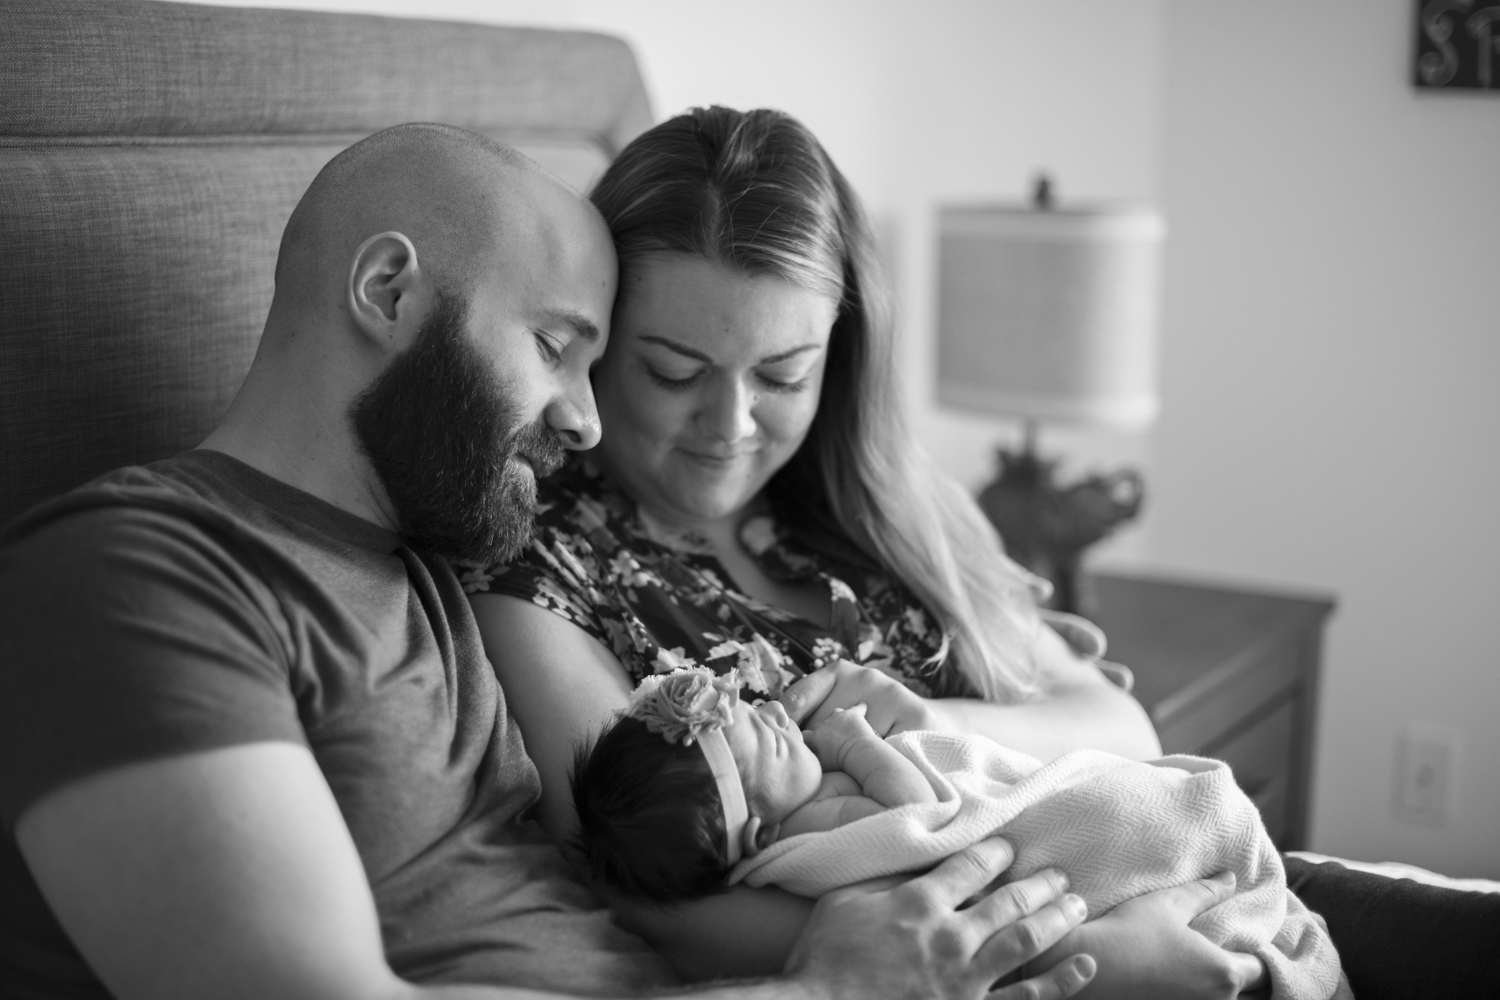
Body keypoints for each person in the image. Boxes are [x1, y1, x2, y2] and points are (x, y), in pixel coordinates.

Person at [0, 123, 1103, 1000]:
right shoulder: (134, 578)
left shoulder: (425, 568)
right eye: (558, 347)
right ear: (388, 293)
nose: (584, 421)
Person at [465, 105, 1280, 995]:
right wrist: (1079, 960)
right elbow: (667, 908)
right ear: (602, 336)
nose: (731, 426)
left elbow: (1122, 727)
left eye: (783, 375)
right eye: (675, 371)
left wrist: (927, 723)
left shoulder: (878, 505)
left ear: (838, 358)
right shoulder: (538, 575)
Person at [572, 668, 1347, 1000]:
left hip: (1092, 819)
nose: (774, 711)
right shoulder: (816, 834)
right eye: (763, 741)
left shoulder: (792, 810)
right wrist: (857, 745)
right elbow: (922, 819)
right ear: (753, 828)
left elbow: (1118, 713)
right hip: (1094, 911)